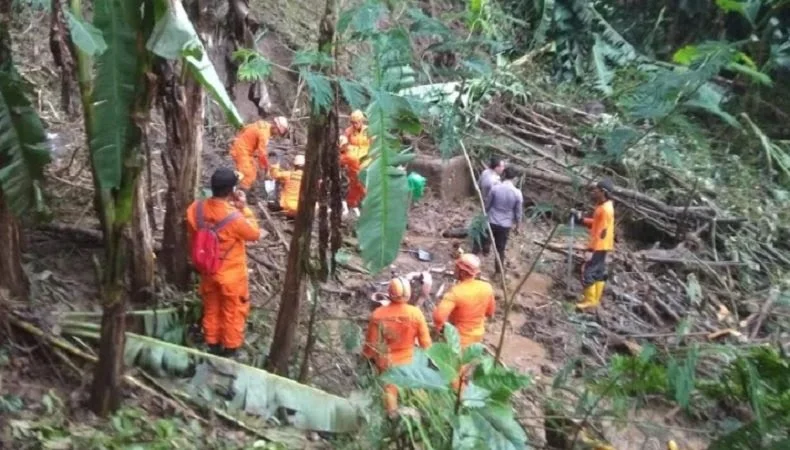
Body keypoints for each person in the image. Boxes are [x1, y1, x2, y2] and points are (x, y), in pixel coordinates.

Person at [186, 168, 262, 357]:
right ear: (231, 190)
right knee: (233, 311)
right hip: (231, 276)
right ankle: (230, 349)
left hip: (207, 270)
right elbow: (254, 233)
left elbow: (191, 228)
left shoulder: (196, 208)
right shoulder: (235, 218)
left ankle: (211, 343)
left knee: (211, 307)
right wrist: (243, 208)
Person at [363, 277, 432, 419]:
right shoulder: (415, 313)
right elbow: (425, 342)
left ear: (390, 292)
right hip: (410, 361)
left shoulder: (378, 314)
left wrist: (365, 358)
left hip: (386, 361)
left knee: (390, 387)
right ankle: (423, 413)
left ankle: (392, 414)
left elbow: (372, 344)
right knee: (416, 388)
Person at [432, 253, 496, 349]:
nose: (454, 269)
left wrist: (438, 328)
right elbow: (490, 312)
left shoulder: (455, 292)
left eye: (456, 267)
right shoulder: (487, 287)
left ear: (462, 272)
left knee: (455, 363)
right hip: (478, 336)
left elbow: (439, 317)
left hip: (458, 339)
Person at [570, 178, 615, 310]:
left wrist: (591, 249)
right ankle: (594, 300)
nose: (594, 191)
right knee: (599, 272)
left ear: (603, 192)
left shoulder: (605, 210)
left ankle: (589, 300)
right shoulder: (605, 206)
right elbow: (597, 223)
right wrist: (582, 220)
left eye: (596, 190)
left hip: (599, 245)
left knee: (588, 271)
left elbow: (601, 232)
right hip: (604, 245)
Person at [229, 116, 289, 191]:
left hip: (244, 148)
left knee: (254, 170)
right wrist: (267, 169)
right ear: (275, 127)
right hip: (242, 151)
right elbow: (262, 154)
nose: (277, 135)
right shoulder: (264, 135)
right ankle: (238, 195)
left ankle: (244, 190)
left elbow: (246, 128)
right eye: (278, 132)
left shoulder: (263, 124)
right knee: (248, 176)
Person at [484, 167, 523, 274]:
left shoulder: (495, 188)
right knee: (500, 249)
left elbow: (487, 205)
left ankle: (485, 250)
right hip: (505, 224)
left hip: (492, 219)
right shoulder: (517, 193)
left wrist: (484, 215)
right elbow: (518, 212)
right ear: (515, 178)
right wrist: (518, 226)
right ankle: (498, 271)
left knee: (487, 237)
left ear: (504, 175)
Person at [472, 157, 506, 256]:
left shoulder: (485, 172)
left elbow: (477, 185)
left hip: (483, 201)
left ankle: (478, 247)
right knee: (488, 228)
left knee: (482, 225)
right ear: (496, 167)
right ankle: (483, 248)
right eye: (502, 166)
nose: (503, 168)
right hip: (491, 206)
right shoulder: (494, 181)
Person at [270, 154, 304, 218]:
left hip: (286, 206)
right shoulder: (307, 178)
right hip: (300, 208)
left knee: (270, 204)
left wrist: (276, 166)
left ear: (294, 165)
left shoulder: (288, 174)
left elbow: (275, 175)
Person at [338, 135, 365, 216]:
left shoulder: (347, 156)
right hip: (357, 172)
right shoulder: (352, 149)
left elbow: (339, 160)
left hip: (356, 174)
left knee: (361, 191)